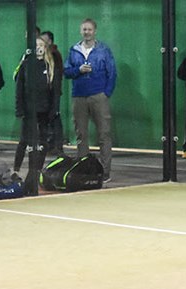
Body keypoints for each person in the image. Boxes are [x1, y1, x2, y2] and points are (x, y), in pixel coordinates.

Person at [64, 18, 117, 183]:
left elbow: (112, 73)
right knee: (81, 134)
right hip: (78, 96)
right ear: (81, 31)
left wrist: (105, 93)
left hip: (98, 96)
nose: (86, 32)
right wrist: (78, 70)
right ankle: (83, 170)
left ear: (95, 31)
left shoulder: (104, 50)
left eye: (89, 29)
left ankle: (105, 171)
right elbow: (66, 72)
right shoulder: (73, 50)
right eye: (84, 29)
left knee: (104, 134)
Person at [13, 37, 62, 195]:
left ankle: (36, 172)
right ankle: (16, 170)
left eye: (41, 45)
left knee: (42, 142)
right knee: (24, 141)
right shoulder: (26, 65)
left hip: (44, 111)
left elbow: (55, 91)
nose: (39, 48)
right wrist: (19, 109)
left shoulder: (51, 65)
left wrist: (54, 110)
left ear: (45, 47)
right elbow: (19, 88)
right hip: (29, 111)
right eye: (36, 46)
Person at [40, 31, 66, 155]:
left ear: (50, 41)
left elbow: (58, 73)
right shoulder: (40, 55)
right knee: (47, 118)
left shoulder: (55, 55)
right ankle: (50, 145)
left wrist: (54, 89)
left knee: (54, 116)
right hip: (44, 94)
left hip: (53, 92)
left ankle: (57, 145)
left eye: (44, 40)